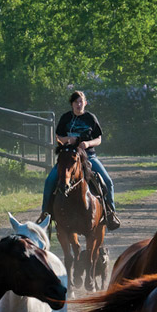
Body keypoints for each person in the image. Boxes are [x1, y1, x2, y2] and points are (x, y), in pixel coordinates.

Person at [38, 90, 121, 230]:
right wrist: (67, 140)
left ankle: (111, 213)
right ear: (72, 104)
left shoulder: (90, 118)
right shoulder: (66, 118)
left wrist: (87, 144)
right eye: (76, 102)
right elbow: (58, 136)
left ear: (85, 103)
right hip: (68, 157)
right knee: (50, 181)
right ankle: (45, 214)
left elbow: (99, 139)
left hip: (88, 156)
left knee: (107, 181)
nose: (79, 104)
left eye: (81, 101)